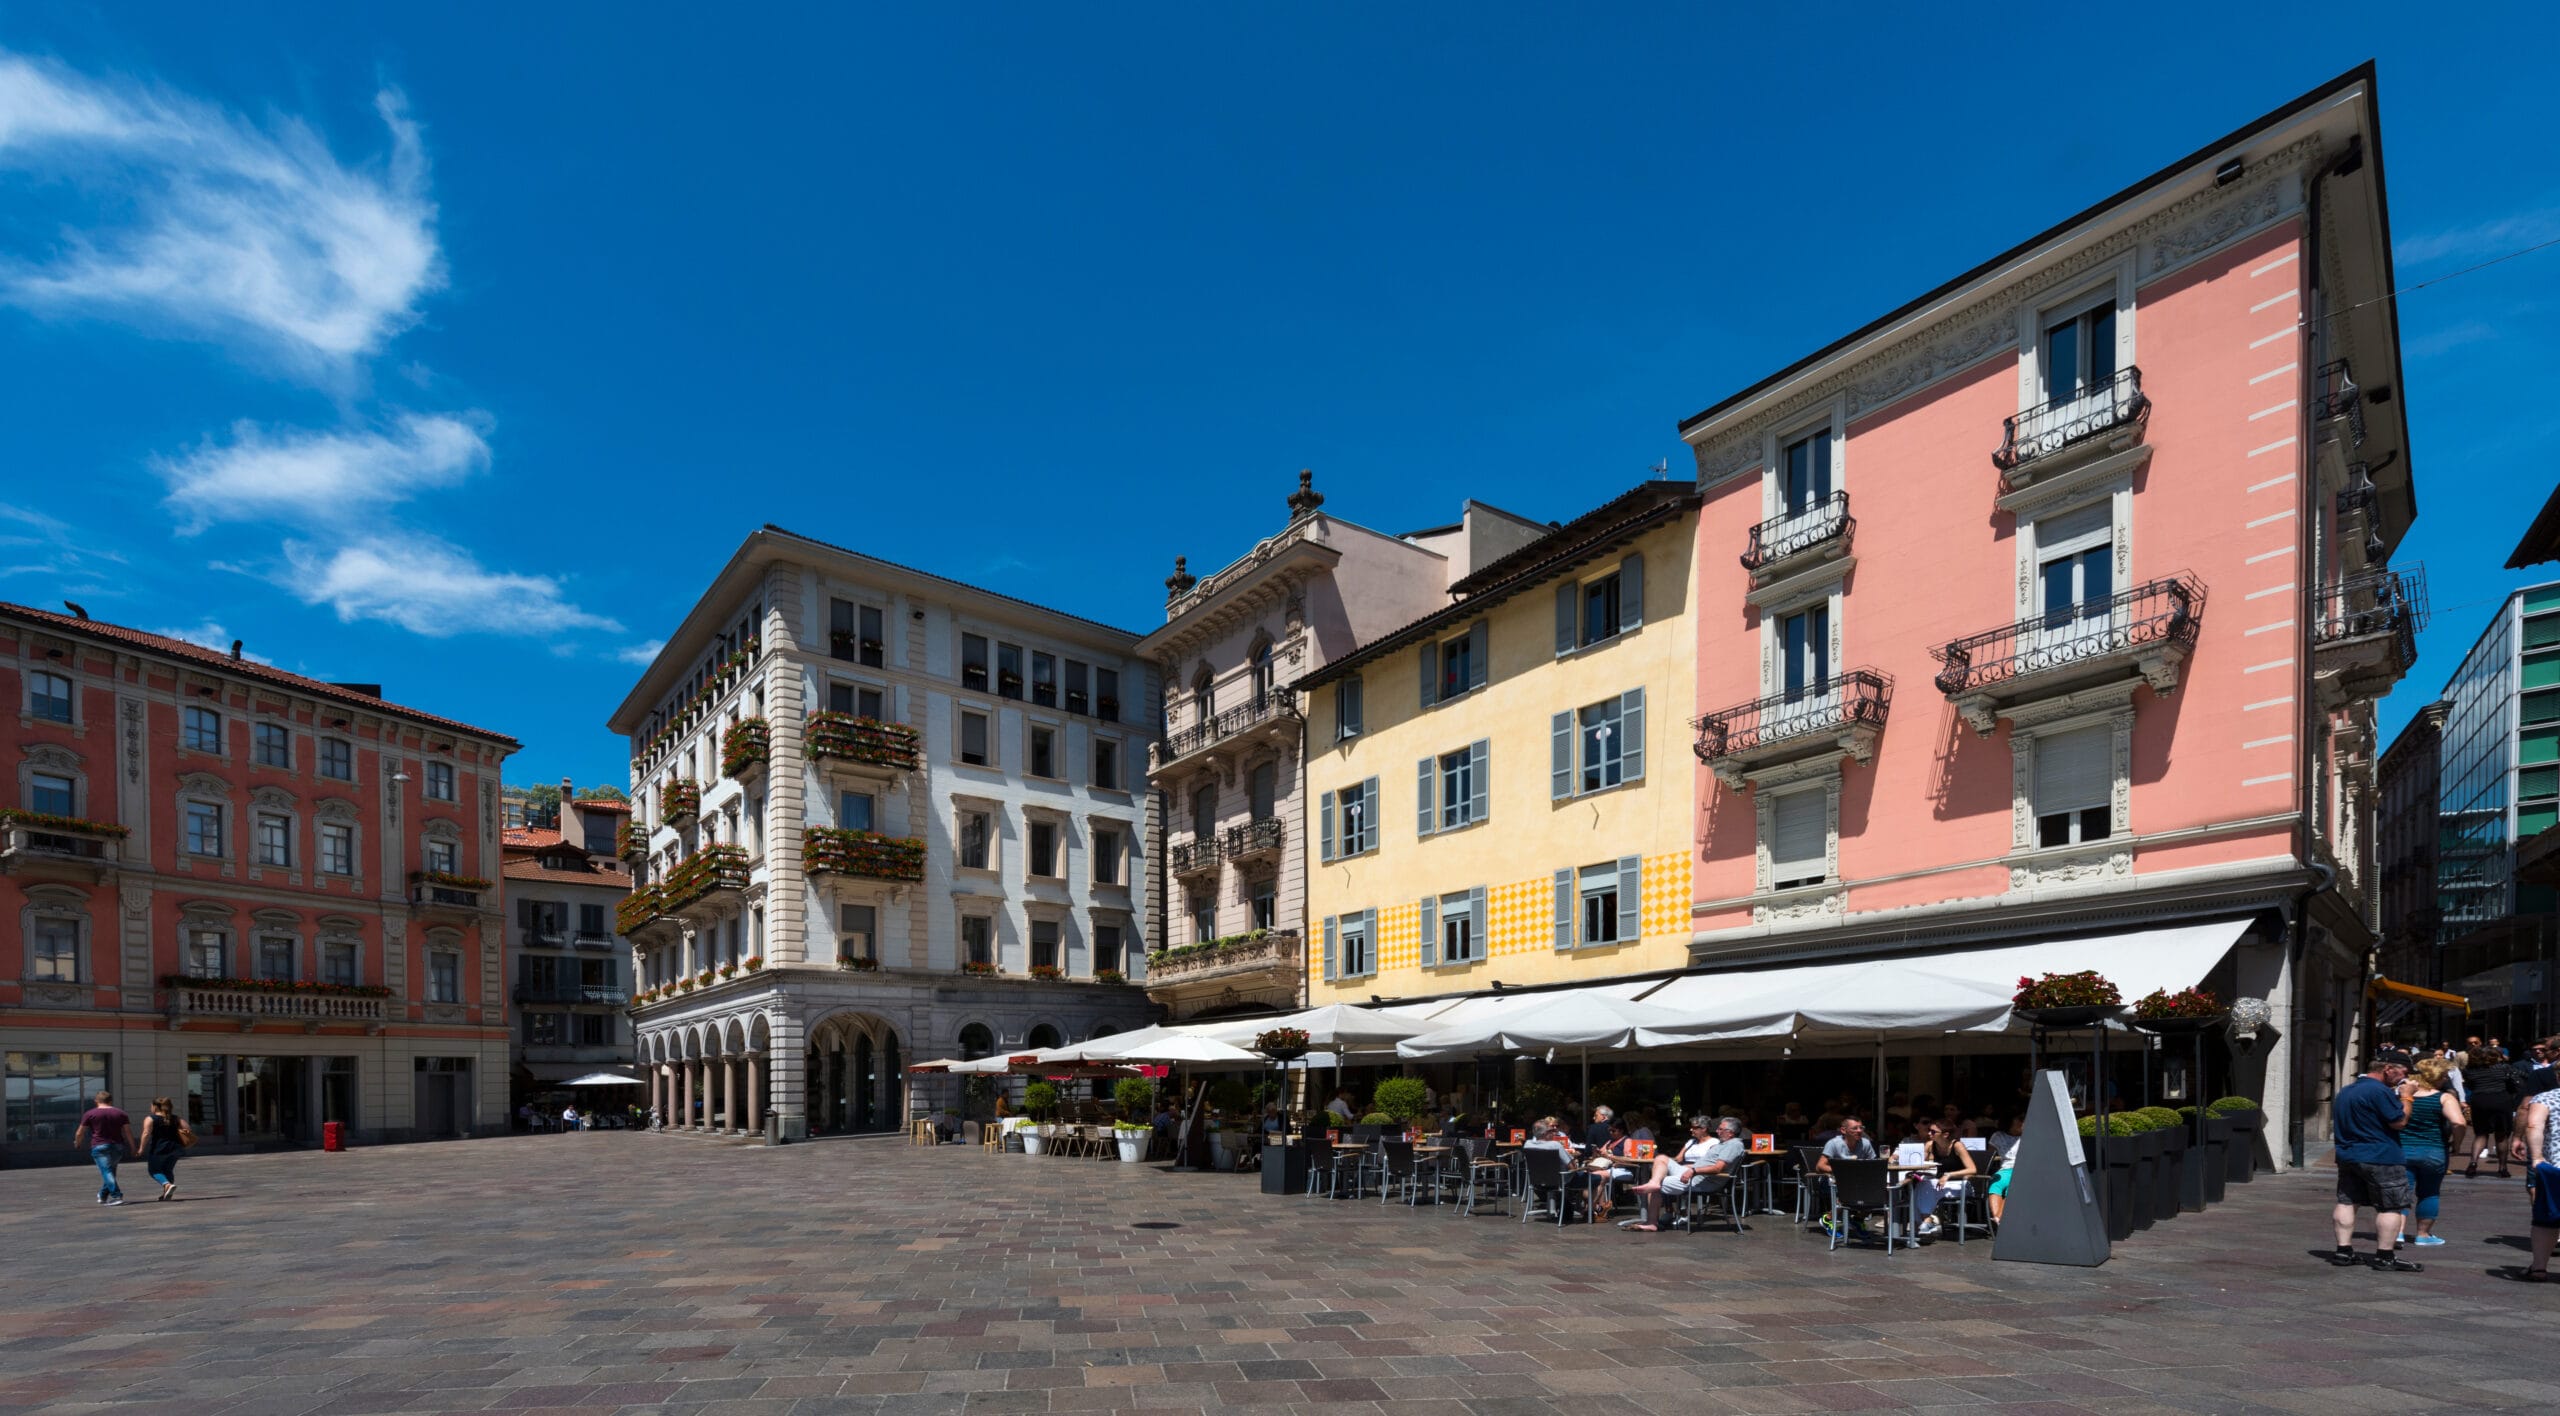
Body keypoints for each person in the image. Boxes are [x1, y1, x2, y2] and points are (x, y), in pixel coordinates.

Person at [2332, 1049, 2422, 1271]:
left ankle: (2343, 1251)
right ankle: (2385, 1256)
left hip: (2349, 1155)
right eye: (2403, 1072)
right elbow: (2399, 1121)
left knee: (2347, 1201)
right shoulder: (2379, 1092)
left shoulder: (2346, 1091)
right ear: (2387, 1069)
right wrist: (2407, 1096)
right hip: (2382, 1157)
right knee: (2390, 1206)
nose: (2405, 1078)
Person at [1627, 1116, 1744, 1232]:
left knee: (1656, 1185)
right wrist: (1689, 1167)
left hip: (1701, 1180)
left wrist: (1693, 1170)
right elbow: (1697, 1162)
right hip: (1695, 1173)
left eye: (1720, 1129)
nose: (1717, 1131)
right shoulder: (1723, 1144)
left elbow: (1718, 1168)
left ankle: (1651, 1222)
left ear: (1730, 1133)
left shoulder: (1733, 1145)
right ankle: (1654, 1183)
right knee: (1661, 1158)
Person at [2398, 1056, 2465, 1248]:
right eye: (2444, 1075)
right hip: (2434, 1151)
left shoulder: (2403, 1095)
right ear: (2436, 1076)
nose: (2446, 1078)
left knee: (2402, 1193)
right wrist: (2457, 1144)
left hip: (2403, 1149)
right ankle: (2423, 1235)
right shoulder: (2444, 1097)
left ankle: (2398, 1232)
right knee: (2429, 1193)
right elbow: (2459, 1122)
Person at [2516, 1082, 2558, 1282]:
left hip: (2556, 1168)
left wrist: (2537, 1157)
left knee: (2546, 1219)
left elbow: (2534, 1125)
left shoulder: (2546, 1098)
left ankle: (2539, 1268)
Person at [1908, 1118, 1979, 1238]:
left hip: (1960, 1184)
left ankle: (1922, 1222)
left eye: (1933, 1132)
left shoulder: (1957, 1146)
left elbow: (1972, 1169)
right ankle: (1926, 1221)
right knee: (1921, 1185)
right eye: (1929, 1130)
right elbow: (1920, 1163)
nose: (1929, 1133)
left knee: (1925, 1186)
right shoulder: (1930, 1145)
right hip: (1940, 1184)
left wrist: (1949, 1175)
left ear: (1945, 1134)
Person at [2465, 1046, 2520, 1180]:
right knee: (2501, 1135)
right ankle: (2502, 1167)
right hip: (2500, 1099)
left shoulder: (2470, 1070)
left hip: (2480, 1100)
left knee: (2480, 1134)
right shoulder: (2503, 1068)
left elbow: (2470, 1085)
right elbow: (2515, 1083)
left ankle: (2473, 1162)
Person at [71, 1089, 130, 1206]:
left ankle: (117, 1195)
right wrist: (133, 1147)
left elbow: (79, 1133)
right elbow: (128, 1132)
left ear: (96, 1101)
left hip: (100, 1146)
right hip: (118, 1146)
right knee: (110, 1171)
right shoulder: (121, 1113)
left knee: (106, 1171)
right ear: (111, 1101)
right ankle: (102, 1195)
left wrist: (77, 1143)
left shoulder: (90, 1114)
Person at [133, 1097, 193, 1201]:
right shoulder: (175, 1118)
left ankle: (167, 1185)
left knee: (154, 1170)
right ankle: (167, 1194)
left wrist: (141, 1148)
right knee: (167, 1170)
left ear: (155, 1107)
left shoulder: (151, 1119)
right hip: (175, 1148)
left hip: (159, 1149)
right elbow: (188, 1129)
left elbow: (146, 1133)